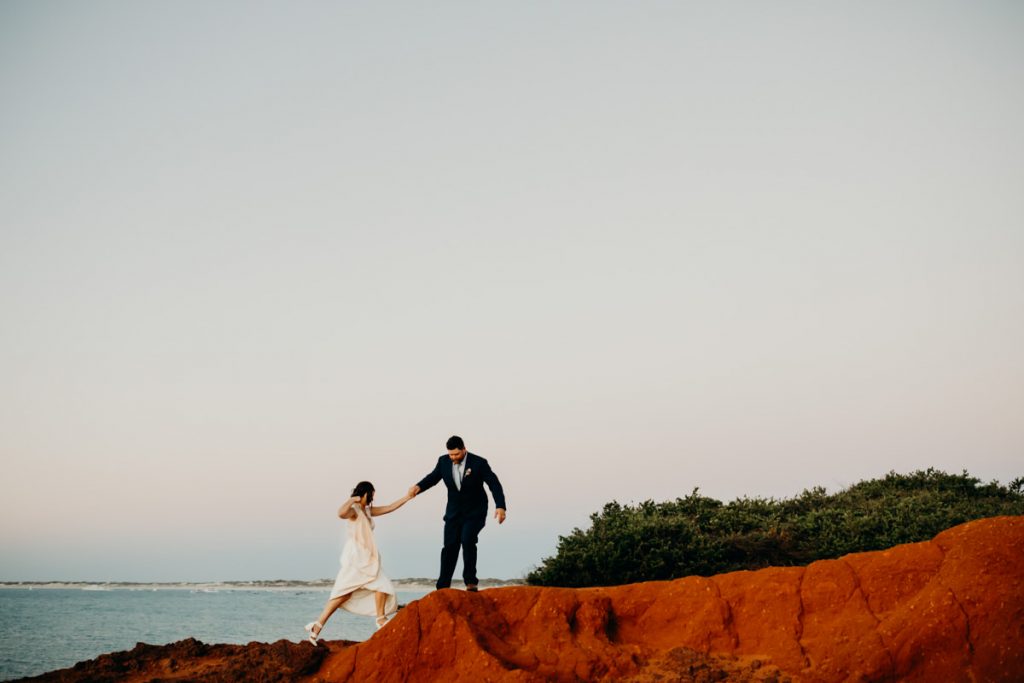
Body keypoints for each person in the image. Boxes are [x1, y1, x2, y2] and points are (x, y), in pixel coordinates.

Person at [304, 481, 412, 645]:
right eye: (371, 495)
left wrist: (407, 497)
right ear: (365, 493)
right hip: (356, 557)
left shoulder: (367, 511)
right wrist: (352, 500)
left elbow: (389, 507)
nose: (372, 499)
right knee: (342, 594)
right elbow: (340, 513)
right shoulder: (354, 510)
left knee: (382, 585)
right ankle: (316, 627)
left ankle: (380, 618)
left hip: (368, 556)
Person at [408, 435, 506, 591]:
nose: (453, 457)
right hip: (454, 513)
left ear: (464, 449)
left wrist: (500, 506)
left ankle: (471, 582)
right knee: (450, 546)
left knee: (467, 540)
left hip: (475, 512)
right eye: (451, 454)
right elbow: (433, 478)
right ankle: (443, 586)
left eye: (456, 454)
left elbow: (494, 483)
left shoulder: (479, 463)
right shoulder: (443, 461)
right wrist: (418, 487)